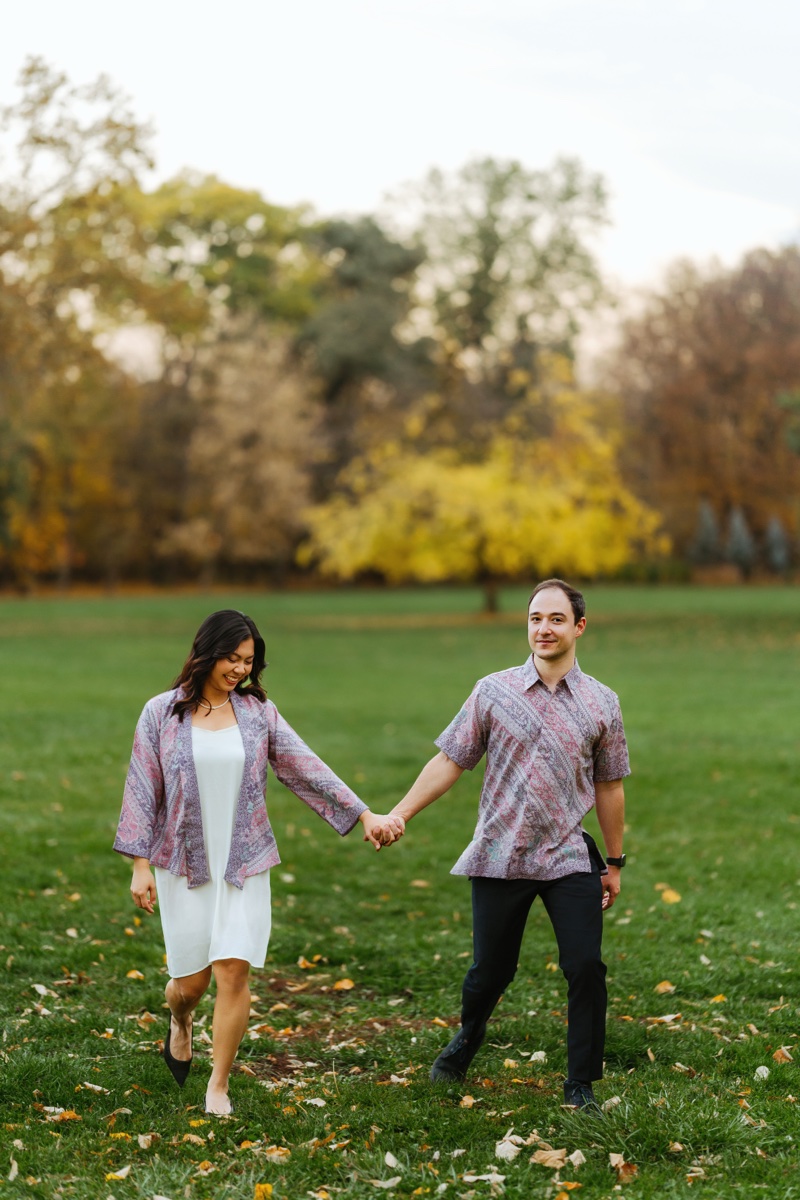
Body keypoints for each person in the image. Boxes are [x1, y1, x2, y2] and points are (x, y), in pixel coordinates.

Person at [114, 609, 402, 1115]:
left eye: (248, 661)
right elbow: (142, 789)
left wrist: (362, 814)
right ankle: (180, 1021)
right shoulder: (161, 712)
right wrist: (139, 865)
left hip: (244, 861)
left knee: (233, 971)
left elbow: (303, 765)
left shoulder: (257, 713)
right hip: (182, 863)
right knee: (191, 983)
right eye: (231, 658)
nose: (239, 670)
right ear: (205, 652)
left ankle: (217, 1087)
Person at [381, 579, 629, 1110]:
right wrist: (400, 813)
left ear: (579, 627)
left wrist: (614, 862)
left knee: (585, 965)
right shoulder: (493, 691)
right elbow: (451, 760)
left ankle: (580, 1081)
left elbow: (610, 785)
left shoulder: (602, 702)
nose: (544, 628)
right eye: (536, 617)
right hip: (501, 853)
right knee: (489, 972)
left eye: (556, 619)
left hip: (567, 856)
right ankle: (468, 1036)